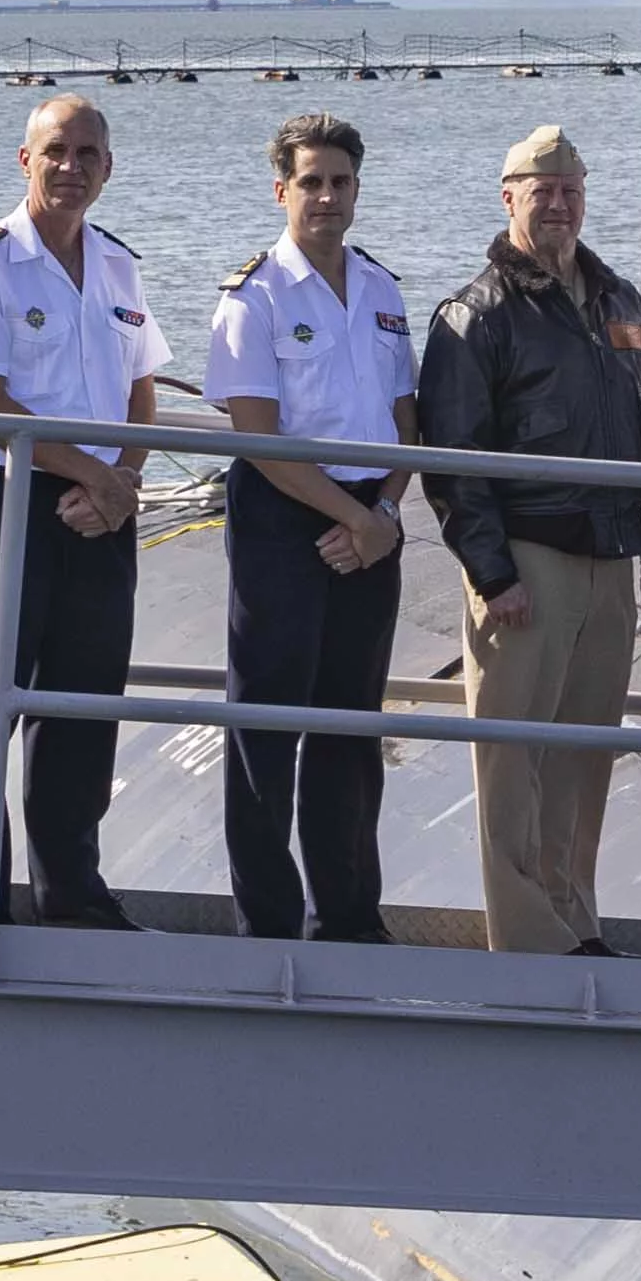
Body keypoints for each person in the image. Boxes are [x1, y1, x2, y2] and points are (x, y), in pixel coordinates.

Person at [417, 125, 641, 957]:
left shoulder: (619, 301)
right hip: (528, 560)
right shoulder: (477, 315)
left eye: (570, 189)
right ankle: (530, 933)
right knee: (514, 762)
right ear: (510, 196)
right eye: (541, 189)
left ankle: (575, 916)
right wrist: (492, 574)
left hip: (610, 558)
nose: (558, 203)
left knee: (583, 757)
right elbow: (453, 459)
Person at [0, 95, 172, 930]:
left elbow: (143, 391)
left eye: (88, 154)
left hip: (103, 509)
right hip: (12, 500)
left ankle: (71, 892)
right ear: (23, 161)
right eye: (56, 152)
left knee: (84, 704)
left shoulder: (117, 265)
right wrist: (95, 474)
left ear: (109, 167)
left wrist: (124, 481)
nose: (71, 168)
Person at [204, 113, 418, 944]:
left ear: (357, 190)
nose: (326, 196)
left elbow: (409, 425)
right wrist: (355, 517)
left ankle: (348, 914)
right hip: (283, 517)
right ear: (282, 189)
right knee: (266, 725)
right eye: (311, 182)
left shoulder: (380, 289)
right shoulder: (252, 295)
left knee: (351, 726)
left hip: (372, 521)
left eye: (340, 182)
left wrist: (385, 515)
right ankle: (268, 919)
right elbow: (256, 435)